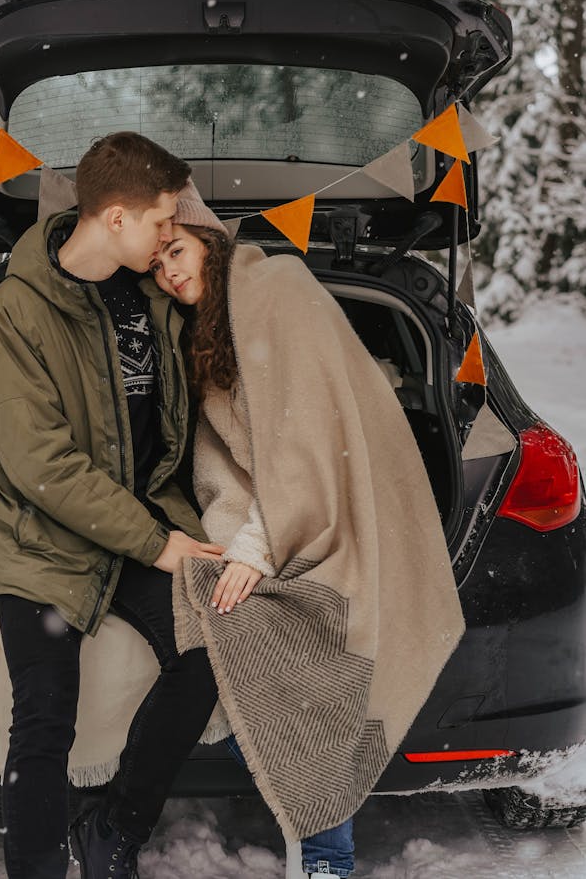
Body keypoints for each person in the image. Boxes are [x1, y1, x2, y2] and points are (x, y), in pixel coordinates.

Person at [149, 181, 466, 878]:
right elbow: (224, 468)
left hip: (349, 517)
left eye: (176, 249)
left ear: (209, 238)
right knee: (233, 639)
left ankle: (325, 854)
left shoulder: (279, 288)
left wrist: (260, 549)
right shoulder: (208, 336)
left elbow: (312, 444)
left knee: (294, 655)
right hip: (286, 521)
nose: (170, 271)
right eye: (157, 265)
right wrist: (237, 543)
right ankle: (321, 833)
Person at [0, 133, 225, 879]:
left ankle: (114, 826)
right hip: (38, 537)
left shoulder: (152, 292)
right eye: (161, 220)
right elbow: (43, 466)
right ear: (115, 217)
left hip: (138, 521)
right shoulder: (10, 317)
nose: (170, 233)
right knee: (44, 718)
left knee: (209, 652)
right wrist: (160, 543)